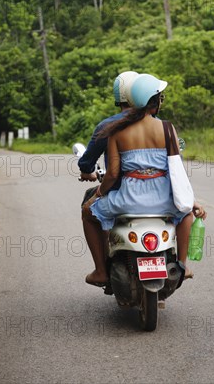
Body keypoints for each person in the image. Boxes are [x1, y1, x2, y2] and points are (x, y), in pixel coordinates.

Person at [82, 73, 206, 286]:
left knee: (87, 212)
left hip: (128, 200)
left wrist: (98, 195)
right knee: (186, 214)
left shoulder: (117, 131)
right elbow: (177, 171)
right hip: (163, 202)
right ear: (155, 102)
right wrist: (191, 201)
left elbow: (112, 174)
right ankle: (182, 266)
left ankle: (101, 271)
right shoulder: (168, 128)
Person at [78, 71, 139, 182]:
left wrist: (86, 171)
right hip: (157, 190)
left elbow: (87, 162)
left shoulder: (107, 126)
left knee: (89, 197)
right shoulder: (158, 125)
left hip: (119, 191)